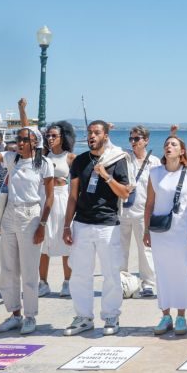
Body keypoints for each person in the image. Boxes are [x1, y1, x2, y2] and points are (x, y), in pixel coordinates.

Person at [0, 112, 54, 335]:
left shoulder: (44, 164)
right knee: (8, 269)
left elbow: (49, 197)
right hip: (10, 214)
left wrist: (42, 225)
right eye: (18, 139)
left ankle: (30, 316)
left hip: (31, 216)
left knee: (29, 271)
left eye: (24, 139)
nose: (19, 143)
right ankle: (15, 314)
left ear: (35, 143)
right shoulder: (11, 159)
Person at [61, 120, 130, 337]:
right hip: (82, 223)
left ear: (106, 136)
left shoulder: (117, 160)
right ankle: (83, 317)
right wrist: (67, 225)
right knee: (80, 274)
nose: (91, 136)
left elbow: (125, 193)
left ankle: (111, 315)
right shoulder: (80, 161)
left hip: (107, 224)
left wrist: (106, 176)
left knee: (111, 274)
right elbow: (73, 196)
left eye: (96, 132)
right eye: (89, 132)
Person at [143, 135, 187, 336]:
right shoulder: (154, 173)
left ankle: (181, 316)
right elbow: (149, 203)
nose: (169, 146)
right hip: (160, 231)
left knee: (182, 272)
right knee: (163, 272)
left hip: (181, 231)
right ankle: (165, 314)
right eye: (167, 143)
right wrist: (146, 229)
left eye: (174, 144)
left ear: (182, 151)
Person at [119, 125, 160, 297]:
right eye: (131, 139)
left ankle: (148, 283)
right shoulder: (124, 157)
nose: (133, 142)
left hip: (144, 211)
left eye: (137, 139)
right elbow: (107, 151)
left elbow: (159, 188)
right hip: (122, 210)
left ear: (146, 140)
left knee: (146, 248)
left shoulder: (155, 162)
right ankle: (122, 282)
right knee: (120, 249)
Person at [42, 121, 76, 297]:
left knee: (65, 241)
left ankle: (67, 281)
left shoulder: (69, 157)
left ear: (62, 137)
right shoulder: (42, 156)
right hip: (45, 196)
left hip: (62, 196)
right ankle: (43, 282)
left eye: (54, 135)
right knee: (43, 241)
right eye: (48, 135)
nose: (50, 138)